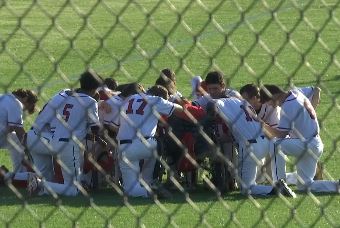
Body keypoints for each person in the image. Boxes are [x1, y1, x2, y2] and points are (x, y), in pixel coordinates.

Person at [27, 69, 103, 196]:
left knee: (48, 179)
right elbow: (95, 128)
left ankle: (39, 185)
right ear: (95, 88)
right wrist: (97, 144)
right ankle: (40, 184)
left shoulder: (61, 94)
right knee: (75, 189)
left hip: (36, 138)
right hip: (67, 144)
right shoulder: (90, 101)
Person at [208, 96, 296, 197]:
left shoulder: (221, 102)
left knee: (246, 188)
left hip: (249, 145)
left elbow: (213, 104)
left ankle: (276, 188)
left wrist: (210, 115)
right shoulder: (241, 102)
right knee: (262, 177)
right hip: (265, 141)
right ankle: (295, 178)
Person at [261, 85, 339, 193]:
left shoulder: (288, 106)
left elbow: (281, 135)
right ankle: (337, 186)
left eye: (267, 101)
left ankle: (279, 183)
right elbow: (316, 89)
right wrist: (311, 109)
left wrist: (263, 125)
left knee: (275, 144)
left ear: (273, 96)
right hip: (314, 143)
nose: (268, 105)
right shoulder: (296, 92)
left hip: (307, 144)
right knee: (305, 186)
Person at [115, 85, 183, 198]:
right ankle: (151, 182)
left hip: (123, 147)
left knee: (130, 190)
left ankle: (147, 191)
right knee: (160, 143)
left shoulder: (130, 98)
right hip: (146, 144)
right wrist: (175, 102)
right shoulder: (156, 100)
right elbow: (179, 110)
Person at [0, 89, 38, 173]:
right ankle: (20, 173)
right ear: (25, 98)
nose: (23, 110)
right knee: (17, 140)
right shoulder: (16, 103)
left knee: (13, 137)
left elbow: (10, 127)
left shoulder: (3, 97)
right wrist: (28, 148)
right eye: (26, 107)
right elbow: (19, 131)